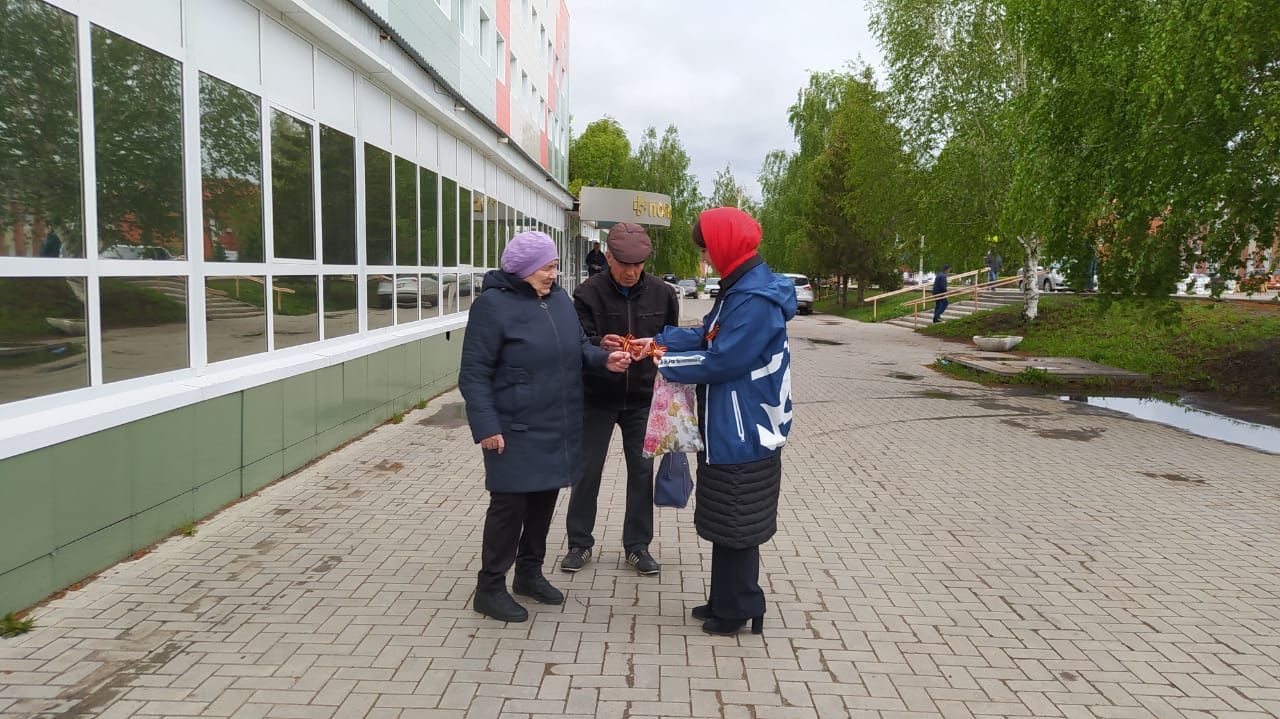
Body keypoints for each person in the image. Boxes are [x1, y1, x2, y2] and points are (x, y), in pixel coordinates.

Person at [459, 231, 632, 623]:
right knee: (509, 509)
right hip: (513, 429)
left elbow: (579, 347)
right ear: (522, 268)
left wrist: (604, 360)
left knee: (542, 505)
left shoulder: (558, 302)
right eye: (547, 267)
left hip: (556, 424)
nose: (553, 274)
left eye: (554, 266)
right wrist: (486, 425)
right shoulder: (492, 307)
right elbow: (473, 374)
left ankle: (529, 574)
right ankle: (489, 588)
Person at [649, 207, 795, 636]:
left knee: (737, 520)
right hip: (729, 426)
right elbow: (709, 335)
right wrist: (659, 340)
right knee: (726, 518)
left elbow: (723, 359)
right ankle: (725, 598)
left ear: (726, 246)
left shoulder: (754, 299)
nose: (708, 259)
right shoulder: (741, 290)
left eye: (709, 250)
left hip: (745, 429)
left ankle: (738, 608)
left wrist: (664, 360)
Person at [561, 223, 680, 576]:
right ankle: (579, 543)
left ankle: (638, 546)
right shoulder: (587, 293)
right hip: (596, 397)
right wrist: (601, 345)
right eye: (624, 264)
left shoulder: (663, 294)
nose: (631, 272)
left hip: (642, 398)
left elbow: (669, 340)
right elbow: (577, 343)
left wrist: (654, 348)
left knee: (642, 472)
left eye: (638, 265)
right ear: (608, 256)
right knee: (587, 471)